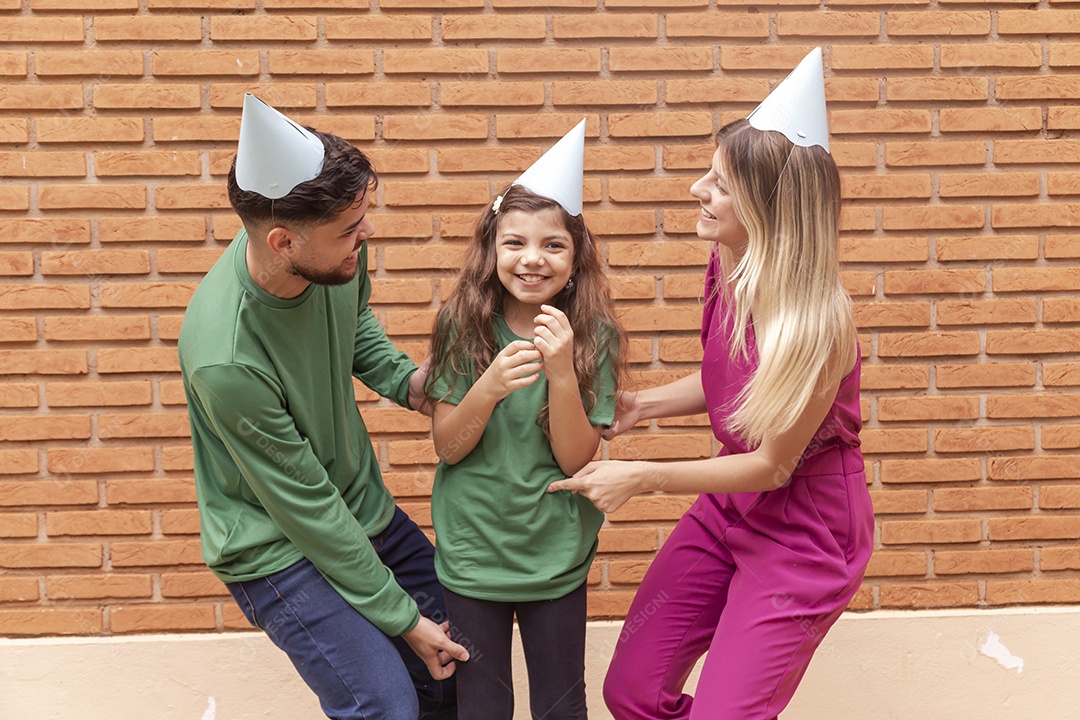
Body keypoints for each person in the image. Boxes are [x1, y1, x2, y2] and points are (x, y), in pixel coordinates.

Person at [548, 50, 874, 719]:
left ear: (767, 205)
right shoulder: (729, 262)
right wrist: (643, 407)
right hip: (731, 505)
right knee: (632, 691)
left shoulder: (819, 322)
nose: (699, 189)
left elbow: (774, 464)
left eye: (720, 184)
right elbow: (734, 378)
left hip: (805, 530)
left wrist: (640, 476)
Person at [178, 95, 466, 720]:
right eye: (349, 227)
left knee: (456, 658)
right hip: (277, 545)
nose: (366, 234)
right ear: (283, 240)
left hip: (356, 508)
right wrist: (403, 619)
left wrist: (406, 383)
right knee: (383, 704)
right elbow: (306, 508)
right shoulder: (226, 357)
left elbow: (354, 319)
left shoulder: (334, 261)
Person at [422, 120, 625, 720]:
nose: (532, 259)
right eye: (515, 242)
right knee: (481, 707)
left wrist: (562, 371)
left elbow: (574, 459)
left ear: (576, 254)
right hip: (473, 554)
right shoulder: (462, 324)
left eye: (553, 245)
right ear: (492, 248)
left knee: (562, 707)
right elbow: (449, 447)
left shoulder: (594, 336)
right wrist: (486, 388)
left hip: (554, 556)